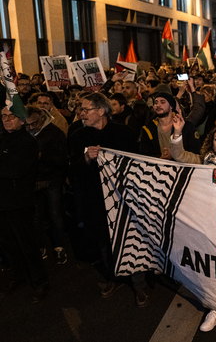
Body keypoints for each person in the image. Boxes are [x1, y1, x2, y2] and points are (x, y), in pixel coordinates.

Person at [68, 93, 148, 307]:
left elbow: (136, 164)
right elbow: (71, 169)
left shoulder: (124, 133)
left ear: (101, 111)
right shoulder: (77, 136)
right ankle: (114, 277)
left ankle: (139, 284)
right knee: (104, 240)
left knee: (130, 238)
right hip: (94, 199)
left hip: (123, 197)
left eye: (86, 109)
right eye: (81, 109)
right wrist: (85, 159)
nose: (81, 113)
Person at [0, 106, 50, 303]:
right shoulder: (2, 139)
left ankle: (40, 281)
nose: (6, 120)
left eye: (11, 116)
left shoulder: (28, 142)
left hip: (20, 203)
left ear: (21, 120)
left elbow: (17, 170)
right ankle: (17, 276)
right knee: (8, 244)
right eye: (3, 116)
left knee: (27, 244)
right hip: (2, 202)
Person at [25, 106, 69, 264]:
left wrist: (43, 156)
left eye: (33, 124)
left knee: (55, 214)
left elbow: (63, 160)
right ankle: (40, 246)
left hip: (51, 180)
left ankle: (58, 246)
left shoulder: (55, 133)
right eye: (27, 124)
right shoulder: (25, 134)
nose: (30, 127)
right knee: (36, 216)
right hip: (34, 182)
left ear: (42, 119)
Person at [139, 92, 201, 160]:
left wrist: (176, 153)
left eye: (162, 102)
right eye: (156, 103)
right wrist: (159, 158)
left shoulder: (187, 127)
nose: (158, 105)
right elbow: (143, 155)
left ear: (171, 106)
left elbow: (196, 151)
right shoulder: (148, 128)